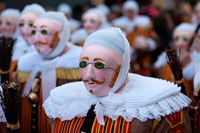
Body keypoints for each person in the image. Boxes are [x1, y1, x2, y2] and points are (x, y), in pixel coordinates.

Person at [43, 27, 191, 132]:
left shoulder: (157, 107)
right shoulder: (62, 102)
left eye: (99, 65)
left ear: (122, 67)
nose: (88, 75)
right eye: (83, 64)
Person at [16, 11, 82, 132]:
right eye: (34, 31)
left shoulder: (79, 63)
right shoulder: (25, 63)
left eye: (44, 31)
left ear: (61, 35)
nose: (36, 39)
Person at [10, 3, 45, 81]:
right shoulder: (15, 49)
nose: (25, 29)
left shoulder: (46, 52)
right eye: (22, 24)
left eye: (31, 24)